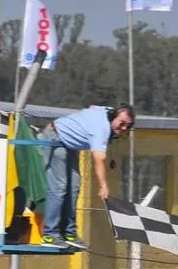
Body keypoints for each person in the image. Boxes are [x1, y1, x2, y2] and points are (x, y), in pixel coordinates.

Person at [36, 103, 135, 249]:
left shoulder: (107, 112)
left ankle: (69, 233)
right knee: (59, 187)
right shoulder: (101, 130)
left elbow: (94, 106)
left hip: (69, 145)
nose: (124, 128)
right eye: (122, 124)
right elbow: (99, 160)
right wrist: (103, 186)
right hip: (54, 138)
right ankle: (49, 234)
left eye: (128, 126)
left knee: (74, 186)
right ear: (113, 118)